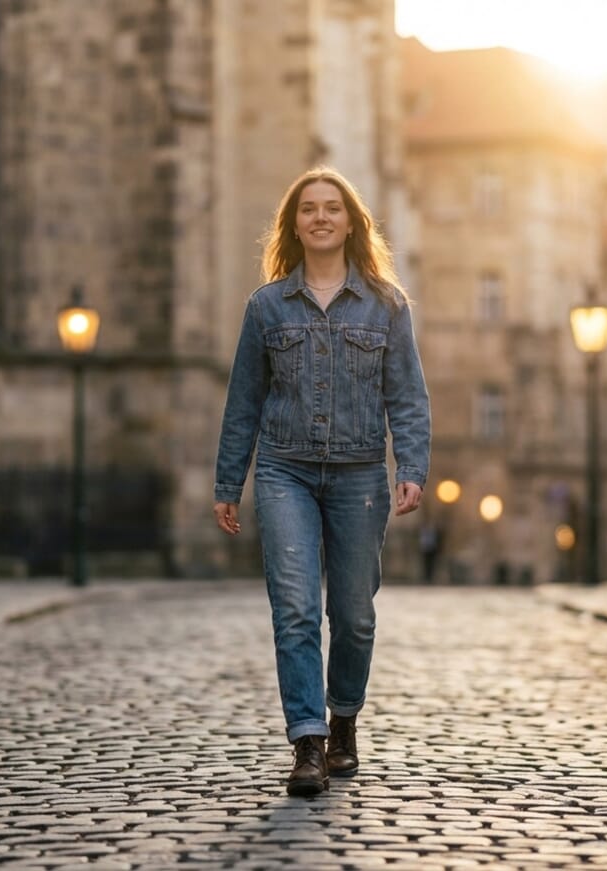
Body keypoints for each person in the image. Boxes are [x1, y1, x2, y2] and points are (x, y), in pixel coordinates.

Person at [213, 166, 431, 797]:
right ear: (294, 225)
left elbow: (408, 396)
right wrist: (231, 482)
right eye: (308, 208)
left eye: (332, 207)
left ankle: (343, 721)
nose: (320, 217)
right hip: (285, 470)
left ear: (351, 221)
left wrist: (410, 468)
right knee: (297, 610)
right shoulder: (266, 308)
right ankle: (307, 743)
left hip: (361, 474)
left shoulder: (387, 306)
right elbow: (243, 402)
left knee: (355, 615)